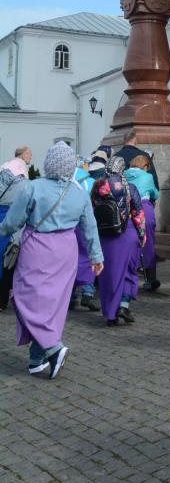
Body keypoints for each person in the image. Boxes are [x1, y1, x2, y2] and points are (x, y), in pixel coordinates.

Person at [0, 142, 103, 378]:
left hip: (38, 248)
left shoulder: (32, 188)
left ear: (48, 163)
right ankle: (37, 360)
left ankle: (53, 349)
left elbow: (12, 223)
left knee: (23, 298)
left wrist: (1, 229)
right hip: (67, 251)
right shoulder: (79, 192)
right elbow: (90, 227)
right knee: (53, 305)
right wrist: (96, 255)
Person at [93, 155, 145, 326]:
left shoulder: (97, 186)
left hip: (105, 235)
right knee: (129, 271)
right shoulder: (129, 187)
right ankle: (123, 305)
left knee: (108, 275)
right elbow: (137, 213)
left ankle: (110, 315)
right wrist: (142, 234)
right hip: (127, 232)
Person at [125, 155, 160, 292]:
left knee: (131, 242)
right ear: (145, 166)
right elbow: (155, 194)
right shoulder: (147, 176)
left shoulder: (124, 174)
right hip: (144, 209)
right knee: (148, 243)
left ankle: (130, 273)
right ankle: (151, 279)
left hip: (128, 209)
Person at [70, 157, 100, 312]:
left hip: (68, 225)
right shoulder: (91, 181)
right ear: (84, 165)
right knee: (89, 257)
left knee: (70, 260)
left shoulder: (67, 179)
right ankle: (88, 293)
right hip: (86, 224)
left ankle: (72, 296)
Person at [0, 157, 30, 311]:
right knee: (9, 258)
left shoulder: (4, 172)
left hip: (4, 215)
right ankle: (5, 298)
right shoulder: (23, 182)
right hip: (12, 219)